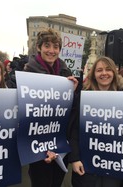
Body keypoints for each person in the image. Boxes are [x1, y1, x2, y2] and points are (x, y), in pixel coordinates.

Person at [69, 56, 123, 187]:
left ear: (114, 73)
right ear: (94, 74)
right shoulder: (83, 97)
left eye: (108, 69)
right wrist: (75, 158)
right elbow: (74, 130)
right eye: (99, 70)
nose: (104, 73)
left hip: (116, 167)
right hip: (88, 166)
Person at [24, 28, 78, 187]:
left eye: (56, 47)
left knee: (56, 182)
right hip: (38, 144)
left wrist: (72, 93)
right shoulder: (28, 72)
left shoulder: (65, 72)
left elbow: (69, 110)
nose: (52, 51)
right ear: (39, 48)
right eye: (47, 46)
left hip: (60, 142)